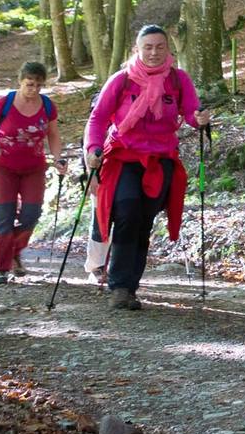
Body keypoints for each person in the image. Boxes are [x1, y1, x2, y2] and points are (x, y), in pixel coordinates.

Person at [84, 25, 208, 310]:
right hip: (124, 158)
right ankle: (119, 286)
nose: (153, 52)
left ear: (168, 49)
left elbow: (190, 111)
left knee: (144, 222)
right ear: (137, 50)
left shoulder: (178, 80)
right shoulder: (121, 80)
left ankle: (131, 287)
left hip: (160, 160)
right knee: (127, 212)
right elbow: (98, 118)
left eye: (159, 47)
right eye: (147, 47)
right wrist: (92, 149)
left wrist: (199, 118)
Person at [0, 62, 64, 285]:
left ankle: (13, 251)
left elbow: (53, 134)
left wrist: (57, 158)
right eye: (29, 84)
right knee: (4, 216)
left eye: (38, 85)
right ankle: (1, 268)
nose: (33, 89)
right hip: (2, 167)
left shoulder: (47, 106)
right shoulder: (4, 104)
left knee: (31, 215)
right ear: (20, 81)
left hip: (33, 168)